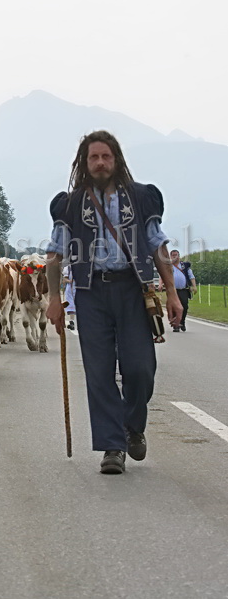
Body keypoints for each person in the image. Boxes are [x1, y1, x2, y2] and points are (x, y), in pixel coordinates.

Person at [46, 131, 183, 475]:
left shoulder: (140, 197)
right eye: (94, 157)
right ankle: (112, 446)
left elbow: (157, 246)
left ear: (116, 159)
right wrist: (53, 298)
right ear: (84, 162)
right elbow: (55, 254)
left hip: (132, 291)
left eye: (106, 157)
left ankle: (132, 424)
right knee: (99, 371)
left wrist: (172, 291)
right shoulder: (70, 203)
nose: (100, 163)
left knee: (139, 369)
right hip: (90, 294)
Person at [159, 250, 197, 332]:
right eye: (173, 255)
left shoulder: (184, 266)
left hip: (183, 290)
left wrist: (194, 286)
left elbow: (191, 276)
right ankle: (176, 325)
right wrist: (160, 284)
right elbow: (162, 275)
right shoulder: (168, 266)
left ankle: (182, 322)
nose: (175, 257)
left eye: (176, 255)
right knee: (174, 307)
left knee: (185, 306)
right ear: (170, 257)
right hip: (173, 291)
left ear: (179, 256)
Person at [62, 264, 76, 330]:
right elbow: (65, 279)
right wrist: (69, 281)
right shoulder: (68, 267)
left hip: (81, 288)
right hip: (71, 288)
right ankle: (72, 322)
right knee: (71, 305)